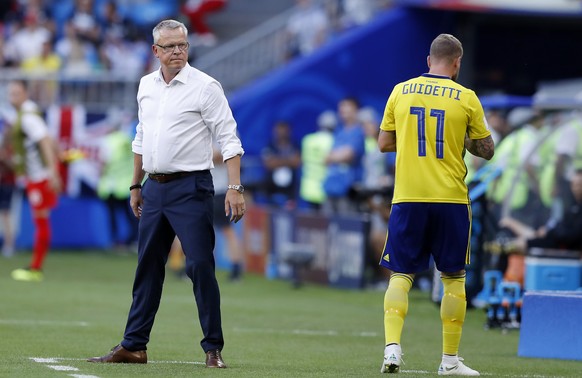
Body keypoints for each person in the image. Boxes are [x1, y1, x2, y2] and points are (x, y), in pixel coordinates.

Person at [87, 19, 245, 369]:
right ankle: (134, 346)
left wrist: (234, 187)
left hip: (192, 187)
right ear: (155, 51)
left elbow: (230, 139)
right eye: (170, 46)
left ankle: (213, 349)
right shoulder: (146, 85)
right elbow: (141, 137)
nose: (177, 51)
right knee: (147, 268)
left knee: (200, 265)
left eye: (182, 45)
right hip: (153, 187)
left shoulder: (206, 86)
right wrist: (134, 184)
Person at [377, 34, 494, 375]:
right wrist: (462, 139)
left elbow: (384, 143)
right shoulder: (466, 97)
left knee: (400, 274)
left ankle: (392, 350)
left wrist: (415, 139)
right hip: (450, 199)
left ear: (429, 60)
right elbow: (487, 150)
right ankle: (449, 361)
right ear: (456, 63)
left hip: (409, 196)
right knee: (453, 277)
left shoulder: (401, 90)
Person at [6, 79, 62, 281]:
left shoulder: (28, 117)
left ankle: (36, 268)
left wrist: (53, 173)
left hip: (41, 177)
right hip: (36, 175)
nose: (12, 97)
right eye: (10, 93)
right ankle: (35, 266)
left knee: (41, 220)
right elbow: (49, 139)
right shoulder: (26, 114)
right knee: (40, 219)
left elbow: (45, 142)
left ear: (25, 94)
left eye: (16, 93)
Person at [299, 110, 336, 210]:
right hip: (325, 187)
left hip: (308, 187)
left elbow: (302, 160)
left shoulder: (307, 139)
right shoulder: (333, 140)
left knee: (310, 222)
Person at [260, 120, 301, 207]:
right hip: (272, 188)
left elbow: (297, 162)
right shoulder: (270, 145)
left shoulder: (294, 145)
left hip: (290, 190)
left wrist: (277, 160)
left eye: (284, 129)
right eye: (279, 129)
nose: (282, 132)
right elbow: (269, 164)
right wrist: (288, 161)